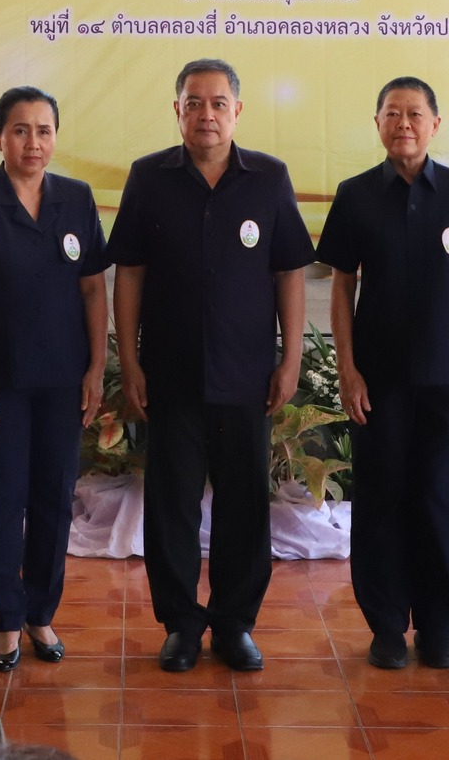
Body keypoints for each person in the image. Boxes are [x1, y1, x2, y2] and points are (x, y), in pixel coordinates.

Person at [110, 58, 313, 674]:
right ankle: (179, 624)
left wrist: (290, 360)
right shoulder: (148, 178)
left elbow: (289, 274)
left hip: (246, 376)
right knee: (169, 505)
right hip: (170, 374)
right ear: (177, 110)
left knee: (244, 506)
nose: (206, 114)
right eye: (193, 103)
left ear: (237, 111)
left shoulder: (269, 179)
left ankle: (234, 624)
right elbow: (130, 275)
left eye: (218, 103)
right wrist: (129, 361)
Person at [318, 77, 449, 671]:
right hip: (378, 383)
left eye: (416, 114)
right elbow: (342, 286)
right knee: (380, 503)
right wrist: (347, 370)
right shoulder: (355, 195)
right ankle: (385, 627)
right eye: (393, 114)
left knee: (442, 503)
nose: (404, 123)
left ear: (435, 124)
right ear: (377, 124)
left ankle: (437, 627)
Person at [0, 87, 109, 672]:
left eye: (43, 130)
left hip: (64, 380)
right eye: (19, 130)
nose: (32, 142)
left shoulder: (77, 198)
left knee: (53, 501)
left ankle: (41, 613)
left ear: (56, 137)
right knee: (1, 500)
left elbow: (92, 287)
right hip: (1, 382)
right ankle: (6, 623)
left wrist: (95, 367)